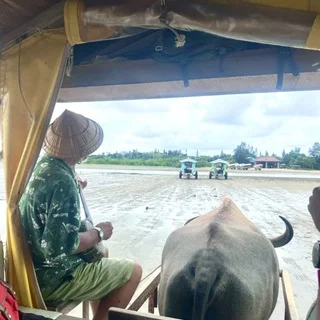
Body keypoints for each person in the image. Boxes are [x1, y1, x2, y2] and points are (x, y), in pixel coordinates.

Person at [19, 110, 142, 320]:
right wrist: (99, 233)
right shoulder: (63, 183)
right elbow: (64, 247)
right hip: (51, 276)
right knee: (134, 272)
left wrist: (73, 179)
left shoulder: (42, 165)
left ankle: (98, 314)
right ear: (83, 152)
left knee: (103, 253)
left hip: (30, 264)